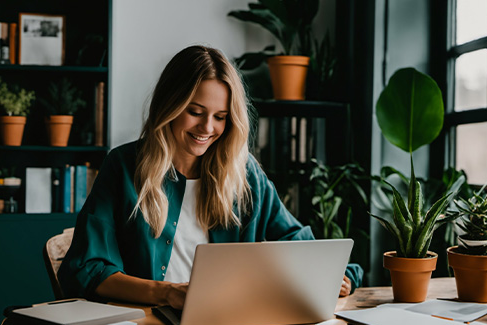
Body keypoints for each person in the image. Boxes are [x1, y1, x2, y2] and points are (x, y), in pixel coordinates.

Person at [59, 44, 362, 309]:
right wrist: (167, 294)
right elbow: (87, 268)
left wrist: (340, 275)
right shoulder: (123, 167)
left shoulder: (244, 174)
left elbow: (297, 242)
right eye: (195, 111)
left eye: (220, 117)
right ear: (170, 105)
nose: (207, 128)